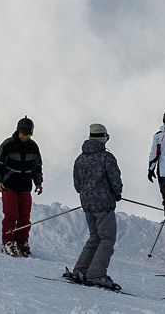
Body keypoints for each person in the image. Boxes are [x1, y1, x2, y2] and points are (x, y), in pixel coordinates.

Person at [67, 123, 122, 291]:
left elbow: (77, 185)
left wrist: (88, 194)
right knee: (107, 238)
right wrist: (117, 193)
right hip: (104, 204)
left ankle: (80, 270)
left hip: (87, 204)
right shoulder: (107, 157)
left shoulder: (80, 158)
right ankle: (96, 274)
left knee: (95, 237)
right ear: (104, 138)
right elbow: (115, 180)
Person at [0, 116, 43, 256]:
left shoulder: (33, 147)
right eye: (24, 134)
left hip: (25, 187)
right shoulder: (8, 145)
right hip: (9, 186)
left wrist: (38, 182)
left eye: (28, 134)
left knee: (25, 217)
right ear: (18, 131)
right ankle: (8, 242)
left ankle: (22, 243)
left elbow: (37, 167)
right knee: (11, 215)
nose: (26, 137)